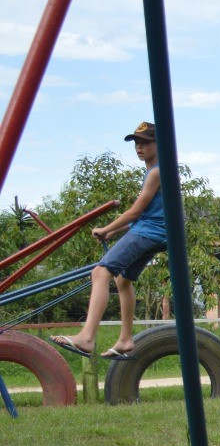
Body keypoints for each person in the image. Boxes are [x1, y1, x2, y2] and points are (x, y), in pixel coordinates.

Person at [53, 122, 166, 361]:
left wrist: (106, 227)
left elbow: (135, 212)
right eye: (136, 143)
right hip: (154, 232)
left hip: (148, 232)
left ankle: (87, 337)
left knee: (101, 272)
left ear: (160, 144)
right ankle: (125, 339)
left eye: (145, 142)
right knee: (122, 279)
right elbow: (148, 215)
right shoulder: (155, 171)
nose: (139, 147)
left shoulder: (157, 172)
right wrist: (113, 232)